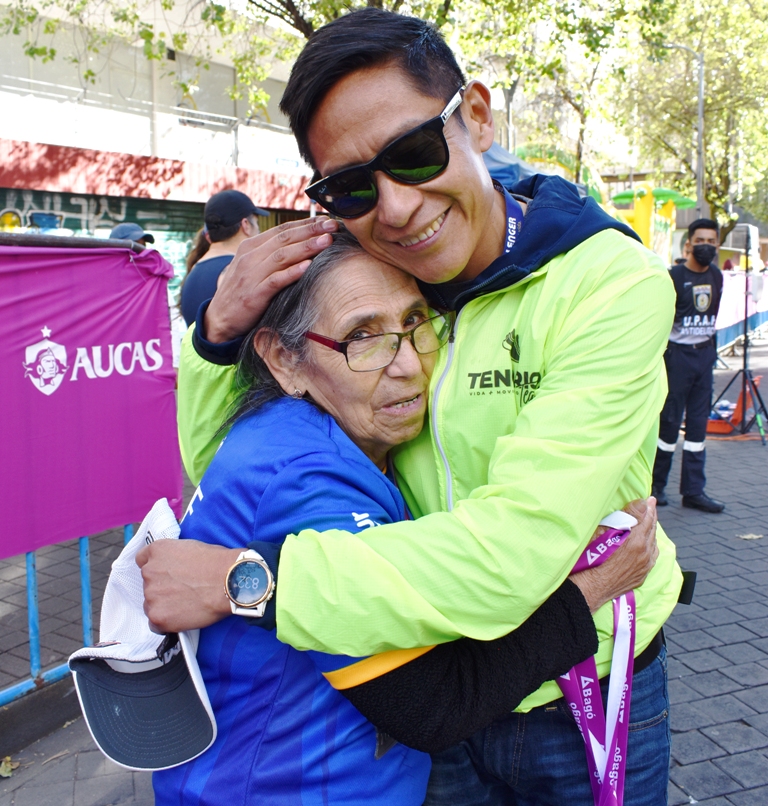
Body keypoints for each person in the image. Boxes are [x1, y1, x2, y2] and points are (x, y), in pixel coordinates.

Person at [139, 9, 683, 804]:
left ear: (478, 116)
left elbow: (511, 554)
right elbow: (237, 461)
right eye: (353, 186)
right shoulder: (379, 272)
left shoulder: (608, 284)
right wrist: (217, 337)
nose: (393, 208)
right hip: (437, 683)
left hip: (587, 686)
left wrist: (253, 583)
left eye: (414, 153)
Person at [153, 231, 659, 804]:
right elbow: (432, 704)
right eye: (361, 336)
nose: (409, 366)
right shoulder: (307, 479)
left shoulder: (305, 433)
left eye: (418, 321)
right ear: (282, 359)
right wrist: (592, 590)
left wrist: (215, 337)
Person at [652, 218, 725, 513]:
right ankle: (656, 486)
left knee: (697, 428)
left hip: (704, 358)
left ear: (717, 244)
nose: (705, 246)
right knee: (668, 425)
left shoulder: (718, 277)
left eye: (711, 241)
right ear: (689, 244)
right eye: (700, 241)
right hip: (677, 358)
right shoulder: (673, 276)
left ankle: (694, 491)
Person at [179, 190, 268, 326]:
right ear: (246, 225)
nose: (259, 230)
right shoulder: (236, 272)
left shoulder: (193, 271)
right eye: (257, 223)